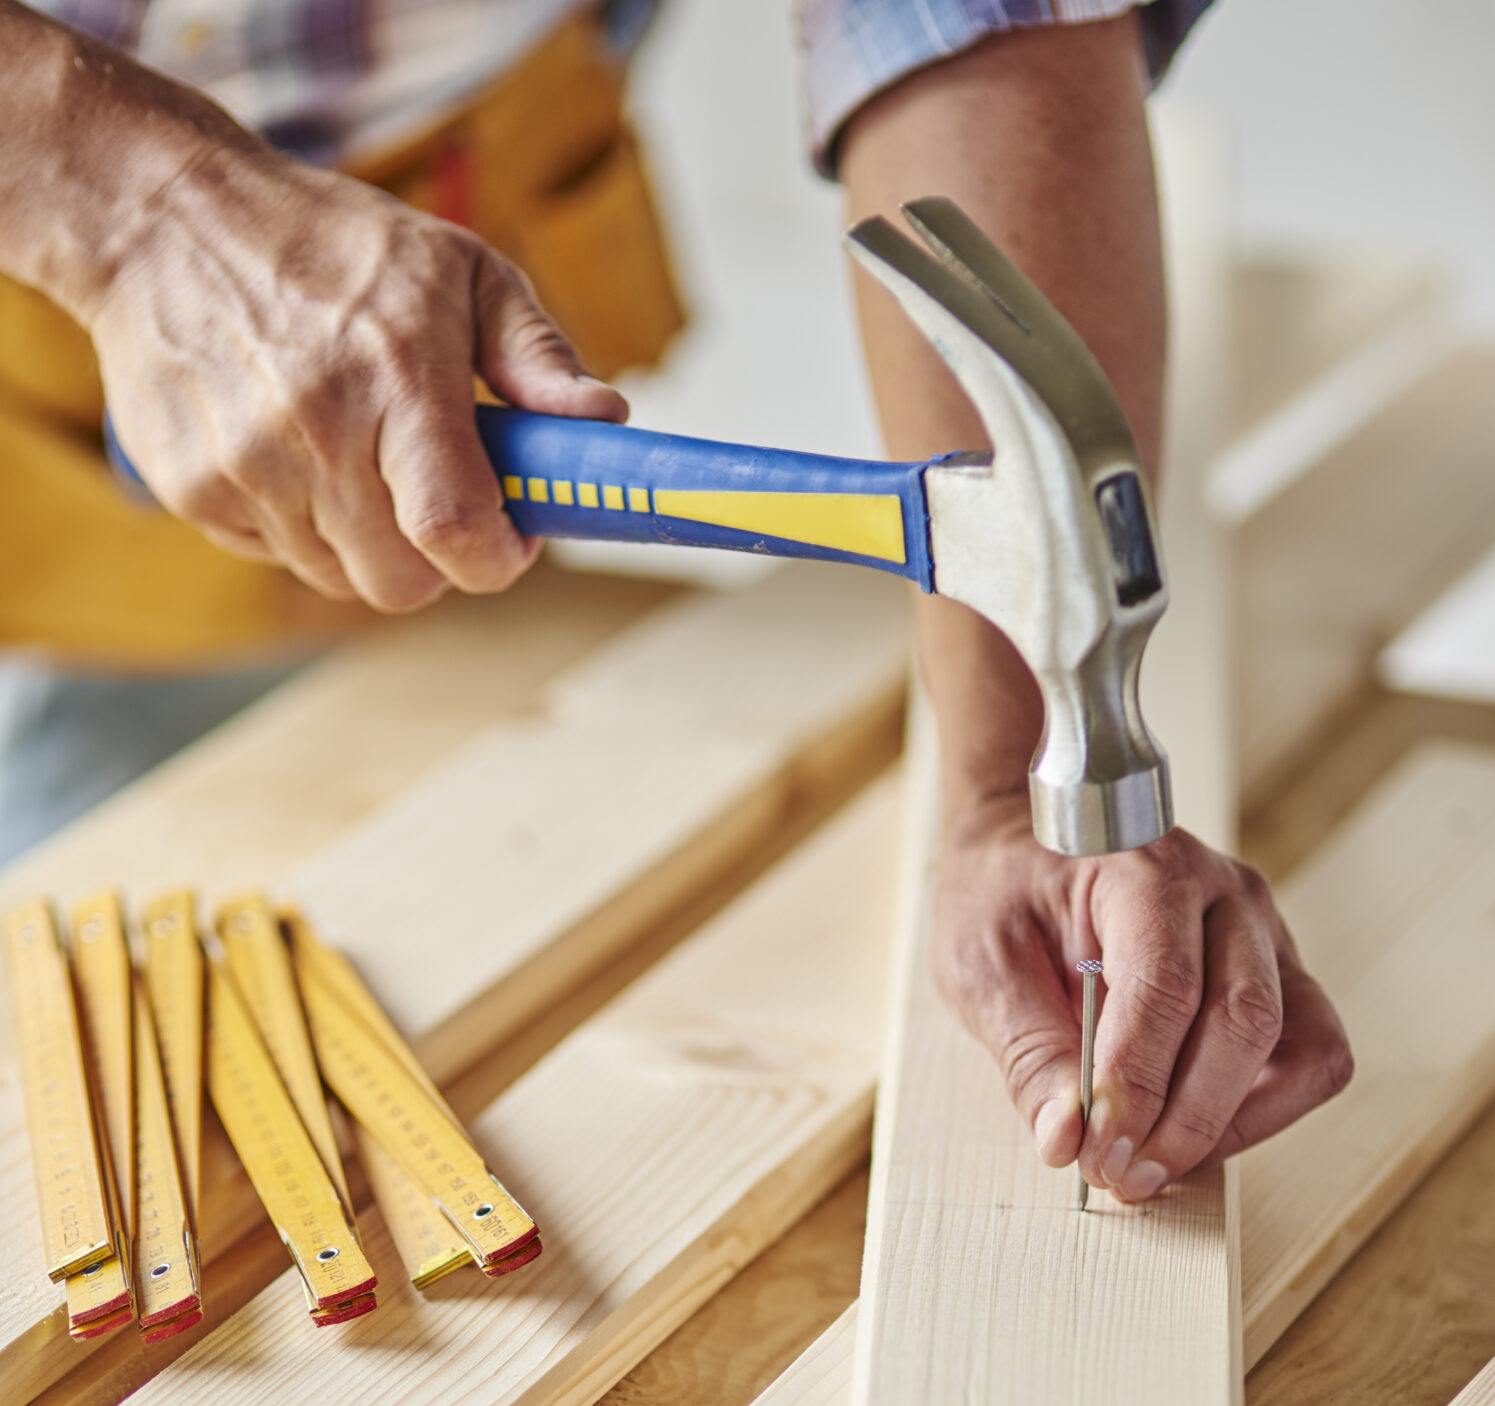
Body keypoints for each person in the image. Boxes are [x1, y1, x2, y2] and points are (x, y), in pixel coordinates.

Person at [0, 0, 1351, 1204]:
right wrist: (127, 201)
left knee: (277, 841)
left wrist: (1017, 785)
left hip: (418, 284)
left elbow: (975, 14)